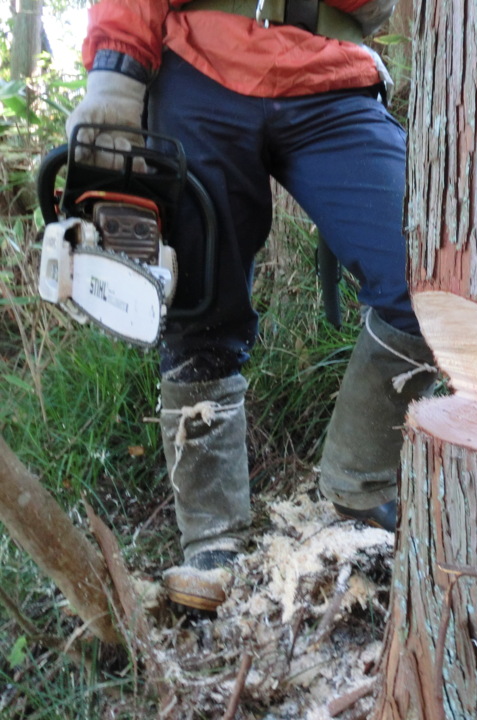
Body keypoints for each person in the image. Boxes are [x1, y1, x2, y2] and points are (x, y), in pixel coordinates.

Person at [66, 0, 437, 612]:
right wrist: (116, 74)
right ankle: (214, 541)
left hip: (332, 77)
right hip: (200, 65)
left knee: (427, 273)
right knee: (200, 300)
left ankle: (358, 485)